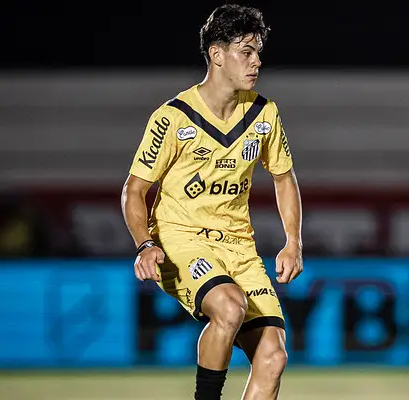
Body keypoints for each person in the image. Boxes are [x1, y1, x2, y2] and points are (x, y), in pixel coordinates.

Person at [120, 5, 303, 400]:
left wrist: (293, 241)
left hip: (239, 246)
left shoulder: (264, 113)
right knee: (229, 307)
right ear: (217, 55)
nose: (257, 61)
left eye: (258, 53)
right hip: (181, 238)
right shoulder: (174, 117)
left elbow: (284, 178)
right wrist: (144, 244)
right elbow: (133, 191)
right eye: (246, 52)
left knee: (272, 357)